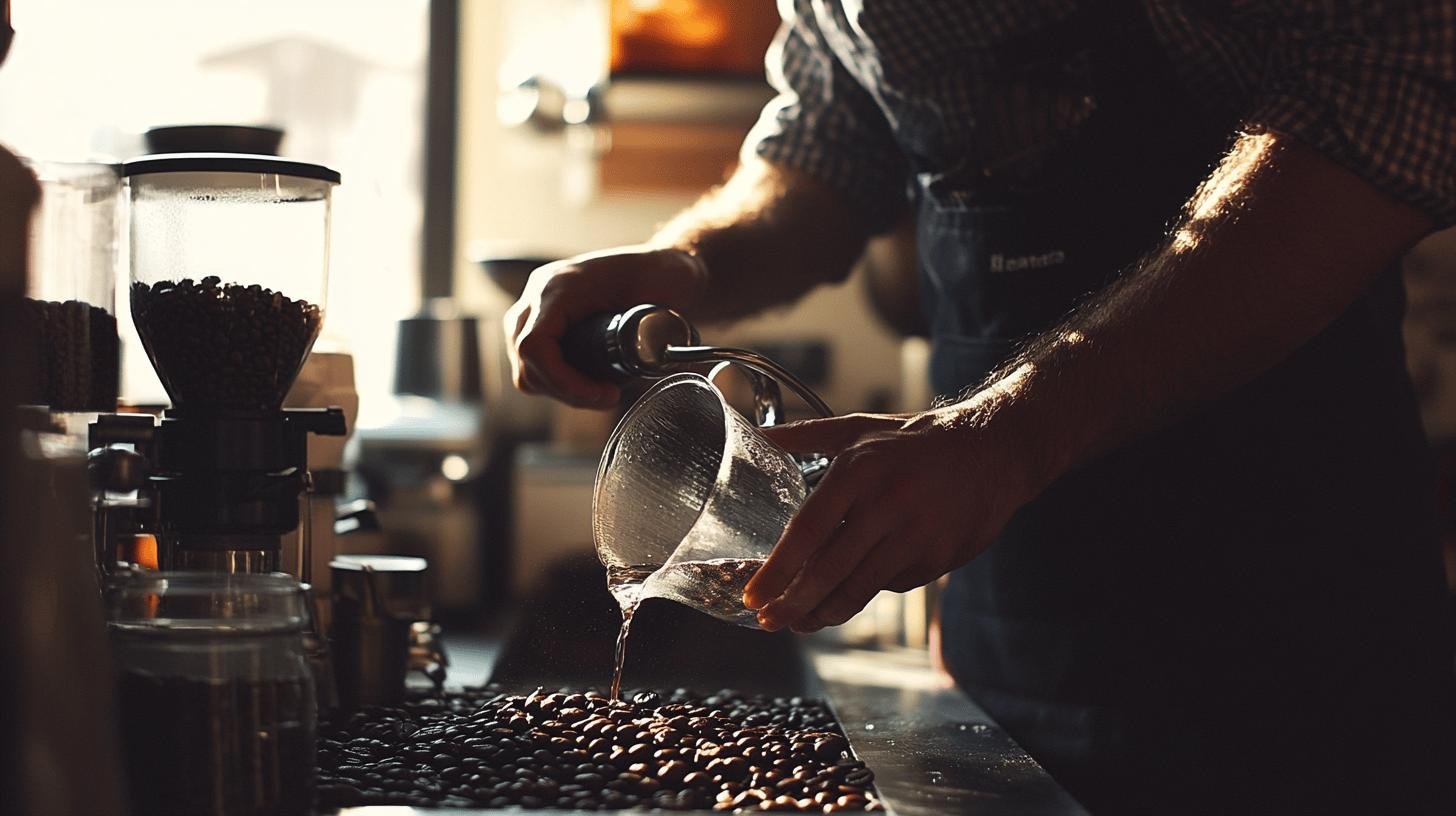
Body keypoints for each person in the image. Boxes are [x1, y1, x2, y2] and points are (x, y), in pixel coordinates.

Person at [506, 2, 1456, 812]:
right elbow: (829, 145)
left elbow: (1387, 92)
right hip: (1011, 623)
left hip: (1297, 615)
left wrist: (1007, 435)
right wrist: (684, 263)